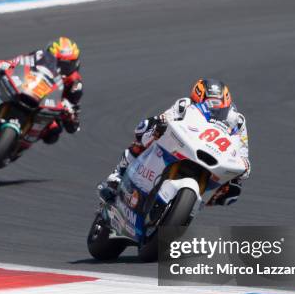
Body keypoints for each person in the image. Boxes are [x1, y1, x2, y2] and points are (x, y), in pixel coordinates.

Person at [99, 78, 250, 206]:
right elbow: (166, 118)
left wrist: (243, 166)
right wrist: (159, 123)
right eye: (210, 103)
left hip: (214, 155)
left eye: (218, 104)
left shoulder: (238, 121)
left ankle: (198, 203)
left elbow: (242, 151)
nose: (214, 107)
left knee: (235, 185)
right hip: (183, 144)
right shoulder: (185, 104)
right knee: (146, 128)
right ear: (198, 97)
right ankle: (118, 173)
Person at [0, 36, 82, 149]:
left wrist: (70, 115)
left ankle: (19, 146)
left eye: (65, 65)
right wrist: (1, 65)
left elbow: (73, 116)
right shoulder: (38, 56)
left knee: (54, 133)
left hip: (47, 105)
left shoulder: (75, 84)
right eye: (55, 61)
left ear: (74, 64)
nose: (58, 67)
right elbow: (20, 61)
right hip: (28, 87)